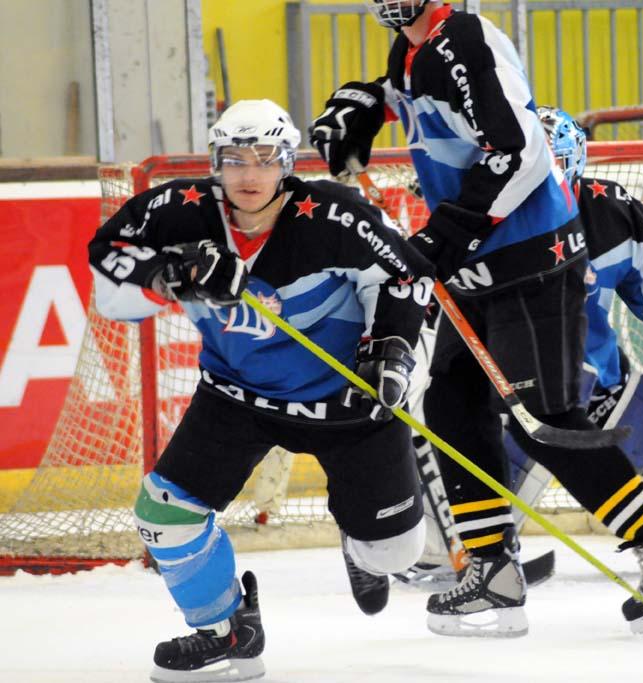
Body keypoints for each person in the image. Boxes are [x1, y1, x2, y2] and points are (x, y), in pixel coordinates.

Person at [310, 1, 643, 637]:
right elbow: (419, 98)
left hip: (530, 260)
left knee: (543, 422)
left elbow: (520, 150)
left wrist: (447, 234)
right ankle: (493, 570)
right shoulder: (411, 48)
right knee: (451, 405)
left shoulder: (465, 39)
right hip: (481, 267)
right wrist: (367, 101)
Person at [89, 99, 433, 681]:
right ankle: (228, 631)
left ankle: (362, 538)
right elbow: (110, 281)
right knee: (163, 515)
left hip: (346, 403)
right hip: (235, 394)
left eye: (265, 159)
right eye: (235, 159)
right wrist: (169, 276)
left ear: (287, 162)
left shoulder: (334, 215)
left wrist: (390, 351)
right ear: (216, 161)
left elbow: (404, 276)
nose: (250, 175)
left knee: (393, 552)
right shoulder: (179, 210)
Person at [397, 106, 643, 599]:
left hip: (603, 392)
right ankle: (487, 563)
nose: (543, 181)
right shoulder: (474, 219)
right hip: (513, 402)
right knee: (440, 541)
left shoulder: (605, 209)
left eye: (554, 165)